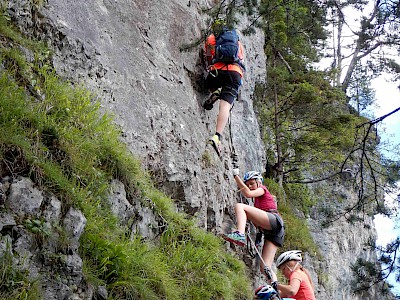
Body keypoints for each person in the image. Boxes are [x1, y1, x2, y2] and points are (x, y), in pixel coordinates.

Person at [222, 169, 285, 283]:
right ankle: (275, 289)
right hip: (274, 232)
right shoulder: (257, 201)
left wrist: (236, 176)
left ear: (259, 182)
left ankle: (239, 234)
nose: (250, 186)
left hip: (274, 220)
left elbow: (248, 194)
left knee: (240, 206)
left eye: (252, 183)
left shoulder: (262, 189)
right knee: (265, 267)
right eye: (247, 184)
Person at [203, 19, 245, 156]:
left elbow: (209, 56)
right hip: (235, 73)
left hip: (218, 70)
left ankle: (216, 90)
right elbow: (242, 60)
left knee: (206, 86)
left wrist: (210, 64)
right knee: (225, 106)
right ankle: (217, 136)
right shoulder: (238, 43)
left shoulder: (212, 38)